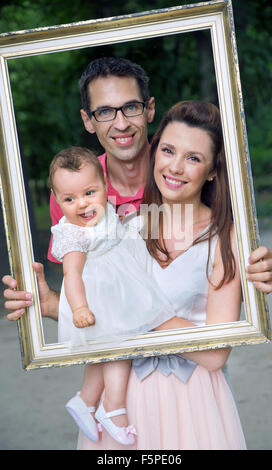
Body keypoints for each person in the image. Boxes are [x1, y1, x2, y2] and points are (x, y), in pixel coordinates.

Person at [2, 57, 272, 322]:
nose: (121, 124)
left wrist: (251, 275)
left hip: (189, 354)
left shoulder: (183, 179)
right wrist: (50, 303)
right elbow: (93, 296)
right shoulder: (71, 196)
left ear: (150, 109)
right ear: (88, 120)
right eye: (105, 112)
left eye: (131, 107)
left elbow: (215, 287)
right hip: (115, 358)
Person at [77, 100, 250, 449]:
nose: (175, 166)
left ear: (213, 170)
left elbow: (215, 353)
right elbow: (98, 316)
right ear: (155, 153)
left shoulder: (226, 237)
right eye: (168, 150)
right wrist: (44, 302)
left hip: (192, 402)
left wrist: (138, 304)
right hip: (122, 402)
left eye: (193, 157)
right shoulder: (125, 228)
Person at [49, 146, 174, 445]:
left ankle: (86, 400)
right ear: (57, 201)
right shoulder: (73, 234)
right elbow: (72, 275)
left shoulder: (106, 213)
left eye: (89, 192)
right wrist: (79, 308)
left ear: (105, 187)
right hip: (95, 298)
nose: (82, 204)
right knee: (119, 349)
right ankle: (113, 409)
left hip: (117, 288)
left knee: (102, 354)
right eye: (69, 199)